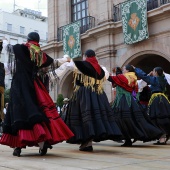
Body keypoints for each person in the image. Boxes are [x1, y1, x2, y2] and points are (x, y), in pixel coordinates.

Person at [0, 32, 74, 156]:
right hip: (34, 85)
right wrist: (66, 60)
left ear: (28, 39)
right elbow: (54, 62)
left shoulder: (20, 48)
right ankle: (42, 144)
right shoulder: (40, 54)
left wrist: (4, 40)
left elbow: (8, 47)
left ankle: (18, 147)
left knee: (18, 112)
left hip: (19, 85)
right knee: (37, 111)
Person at [65, 49, 123, 151]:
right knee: (94, 117)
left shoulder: (82, 65)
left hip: (83, 94)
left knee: (83, 117)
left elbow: (70, 65)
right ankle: (88, 142)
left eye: (83, 56)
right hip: (98, 94)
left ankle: (87, 143)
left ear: (85, 56)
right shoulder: (101, 68)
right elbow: (106, 77)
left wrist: (67, 59)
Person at [108, 65, 163, 146]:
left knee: (122, 119)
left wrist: (104, 73)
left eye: (124, 69)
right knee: (134, 120)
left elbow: (112, 79)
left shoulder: (123, 77)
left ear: (127, 70)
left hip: (123, 100)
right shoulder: (134, 78)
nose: (123, 70)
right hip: (132, 101)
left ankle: (126, 139)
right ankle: (130, 138)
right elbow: (135, 90)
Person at [134, 66, 170, 145]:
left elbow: (143, 76)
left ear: (156, 72)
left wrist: (136, 69)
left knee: (157, 117)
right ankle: (165, 136)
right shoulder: (163, 79)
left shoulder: (154, 79)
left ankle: (162, 138)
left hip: (156, 100)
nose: (152, 72)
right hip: (163, 99)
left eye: (153, 71)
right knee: (164, 116)